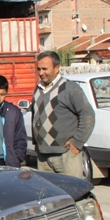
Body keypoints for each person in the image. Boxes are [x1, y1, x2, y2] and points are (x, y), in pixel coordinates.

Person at [31, 50, 95, 178]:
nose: (41, 73)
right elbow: (36, 116)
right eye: (39, 69)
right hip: (43, 156)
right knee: (49, 196)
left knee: (71, 193)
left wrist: (77, 142)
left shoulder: (70, 88)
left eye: (45, 69)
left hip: (65, 155)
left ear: (57, 68)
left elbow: (88, 115)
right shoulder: (38, 90)